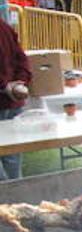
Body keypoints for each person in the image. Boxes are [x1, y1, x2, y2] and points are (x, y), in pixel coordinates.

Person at [0, 19, 32, 179]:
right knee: (11, 158)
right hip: (11, 99)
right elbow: (22, 59)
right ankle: (13, 198)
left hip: (9, 101)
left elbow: (21, 59)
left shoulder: (3, 27)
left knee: (11, 158)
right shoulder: (3, 25)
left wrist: (18, 83)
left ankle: (11, 200)